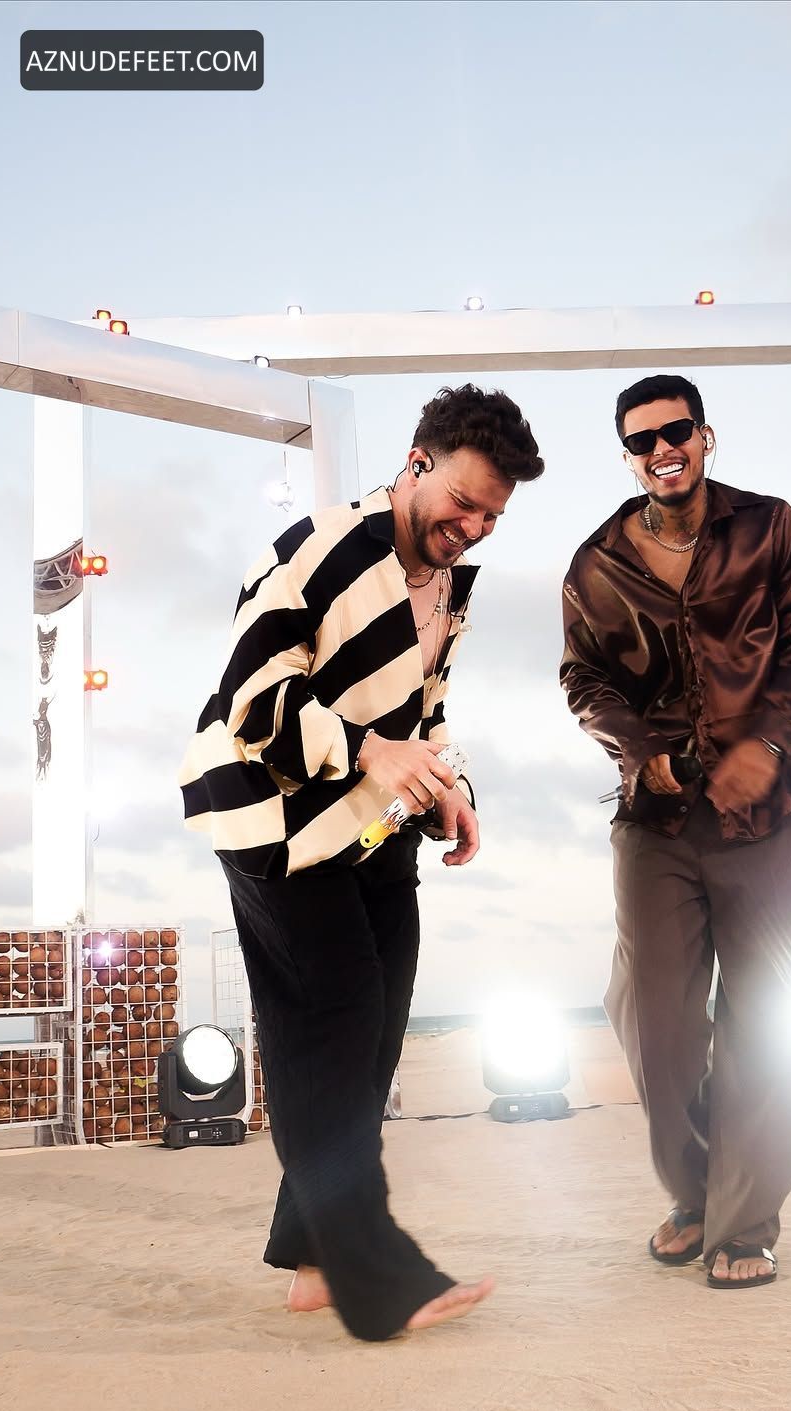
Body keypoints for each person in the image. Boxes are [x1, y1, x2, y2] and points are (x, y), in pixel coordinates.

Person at [180, 383, 544, 1340]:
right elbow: (251, 701)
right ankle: (374, 1273)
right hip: (274, 819)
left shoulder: (451, 584)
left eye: (492, 517)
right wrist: (369, 750)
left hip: (373, 824)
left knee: (375, 1033)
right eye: (462, 502)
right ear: (417, 462)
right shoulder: (319, 548)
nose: (472, 528)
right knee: (331, 1024)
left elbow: (425, 710)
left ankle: (314, 1264)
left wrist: (450, 785)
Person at [560, 374, 791, 1289]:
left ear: (705, 436)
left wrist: (767, 742)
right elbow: (583, 679)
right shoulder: (596, 563)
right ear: (628, 456)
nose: (660, 450)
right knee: (657, 1022)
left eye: (674, 432)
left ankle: (743, 1224)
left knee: (765, 1018)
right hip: (657, 817)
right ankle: (696, 1192)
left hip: (772, 809)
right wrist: (642, 754)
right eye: (641, 441)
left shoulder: (771, 526)